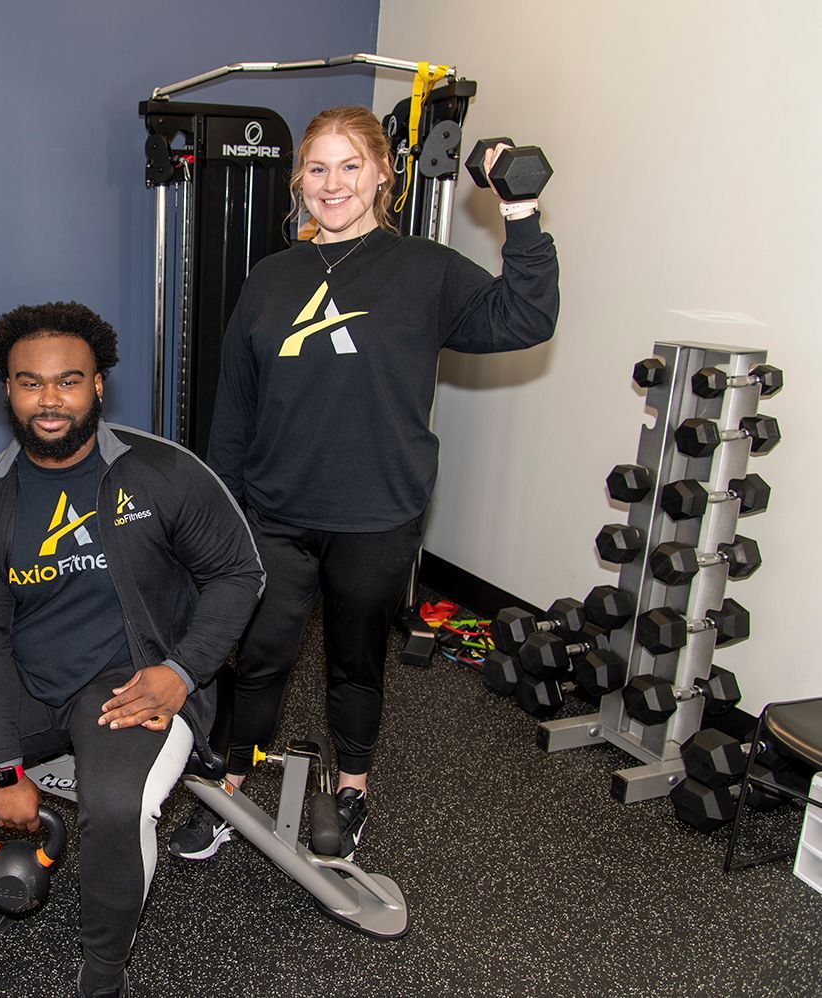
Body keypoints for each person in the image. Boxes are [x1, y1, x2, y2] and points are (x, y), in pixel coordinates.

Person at [169, 106, 559, 864]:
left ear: (384, 173)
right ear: (298, 183)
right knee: (258, 655)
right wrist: (219, 513)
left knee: (356, 659)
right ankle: (230, 791)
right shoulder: (271, 277)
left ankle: (352, 789)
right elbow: (236, 404)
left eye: (351, 166)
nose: (333, 183)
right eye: (317, 168)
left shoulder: (427, 269)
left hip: (378, 512)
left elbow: (525, 317)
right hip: (275, 512)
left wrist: (520, 209)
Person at [0, 302, 264, 996]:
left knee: (116, 807)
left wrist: (183, 671)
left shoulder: (163, 473)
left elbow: (240, 574)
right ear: (9, 391)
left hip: (129, 680)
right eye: (30, 382)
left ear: (98, 386)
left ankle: (102, 970)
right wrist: (3, 770)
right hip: (28, 676)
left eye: (68, 381)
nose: (49, 399)